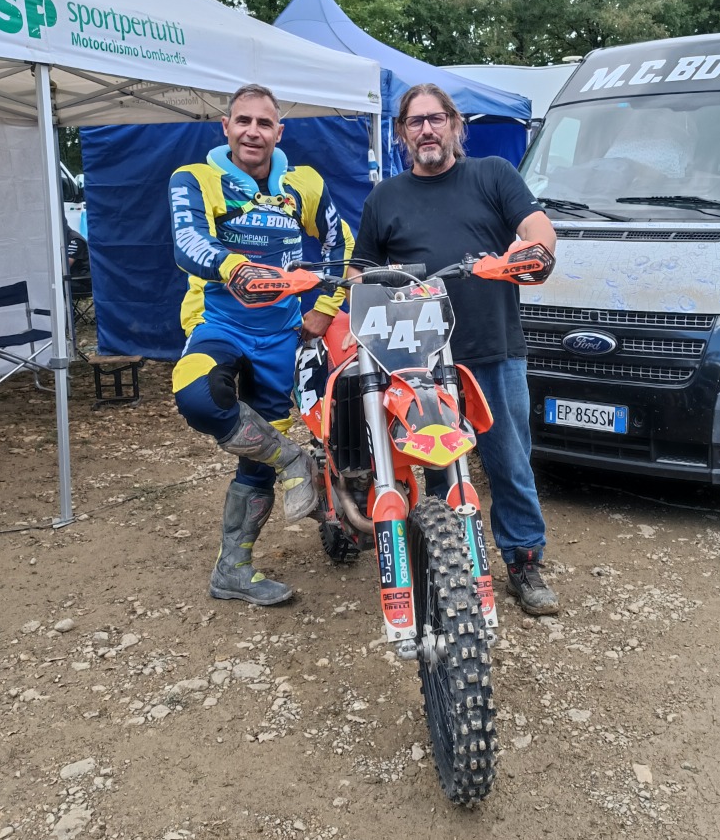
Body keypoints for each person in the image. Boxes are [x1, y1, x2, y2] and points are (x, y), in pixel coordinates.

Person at [350, 83, 560, 616]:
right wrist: (345, 304)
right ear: (402, 133)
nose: (426, 129)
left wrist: (535, 251)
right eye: (415, 121)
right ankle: (453, 563)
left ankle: (524, 561)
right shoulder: (384, 198)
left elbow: (537, 228)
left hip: (493, 348)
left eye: (436, 118)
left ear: (454, 124)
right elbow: (359, 272)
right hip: (417, 359)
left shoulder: (493, 175)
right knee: (439, 464)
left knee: (510, 463)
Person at [169, 84, 353, 607]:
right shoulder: (195, 178)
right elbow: (187, 241)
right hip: (219, 322)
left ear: (279, 132)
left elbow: (339, 241)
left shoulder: (303, 184)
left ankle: (233, 570)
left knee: (254, 463)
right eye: (243, 121)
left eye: (264, 123)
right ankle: (294, 460)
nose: (253, 131)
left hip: (282, 335)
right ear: (225, 127)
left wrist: (326, 305)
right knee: (198, 397)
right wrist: (235, 267)